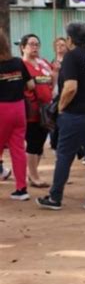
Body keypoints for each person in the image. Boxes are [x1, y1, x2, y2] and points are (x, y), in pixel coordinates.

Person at [36, 22, 85, 211]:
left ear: (70, 39)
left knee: (64, 156)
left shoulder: (71, 57)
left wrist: (60, 107)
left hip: (73, 114)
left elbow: (70, 87)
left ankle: (55, 197)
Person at [0, 29, 34, 200]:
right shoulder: (17, 62)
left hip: (2, 110)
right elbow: (31, 85)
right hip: (19, 108)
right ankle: (21, 189)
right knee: (18, 149)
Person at [20, 34, 54, 188]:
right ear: (23, 47)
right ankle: (33, 175)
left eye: (37, 44)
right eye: (31, 44)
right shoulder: (22, 65)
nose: (34, 47)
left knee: (40, 142)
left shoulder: (44, 63)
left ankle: (32, 172)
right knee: (33, 142)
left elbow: (53, 77)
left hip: (47, 109)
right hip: (32, 110)